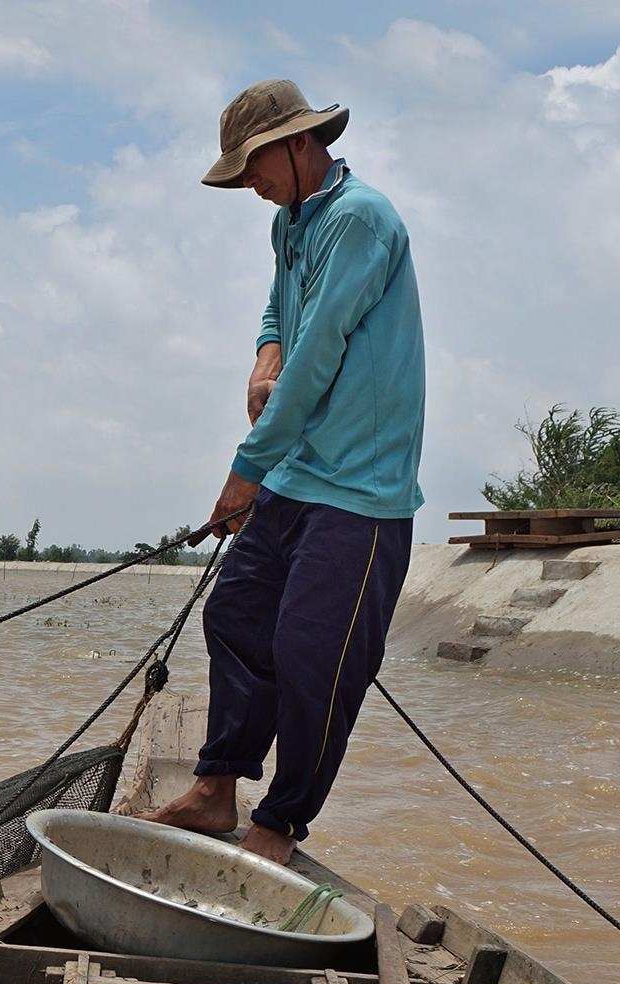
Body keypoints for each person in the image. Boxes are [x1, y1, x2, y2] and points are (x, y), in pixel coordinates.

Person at [139, 79, 425, 865]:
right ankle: (215, 788)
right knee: (234, 613)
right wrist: (262, 360)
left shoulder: (361, 219)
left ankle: (280, 822)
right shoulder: (291, 222)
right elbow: (281, 320)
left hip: (361, 492)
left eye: (254, 166)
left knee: (313, 652)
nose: (251, 186)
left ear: (300, 144)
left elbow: (319, 353)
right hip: (300, 472)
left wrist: (244, 474)